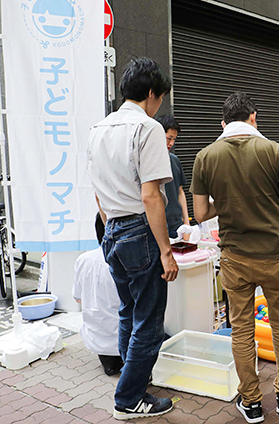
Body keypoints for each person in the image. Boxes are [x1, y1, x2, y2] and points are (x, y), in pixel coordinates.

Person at [190, 92, 279, 423]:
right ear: (254, 117)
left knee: (242, 329)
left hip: (235, 258)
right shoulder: (273, 150)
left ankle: (252, 402)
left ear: (223, 123)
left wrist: (225, 203)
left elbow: (200, 213)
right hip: (274, 254)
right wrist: (278, 193)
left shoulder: (205, 156)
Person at [87, 57, 178, 420]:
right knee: (149, 319)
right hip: (139, 230)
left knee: (128, 310)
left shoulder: (98, 128)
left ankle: (132, 378)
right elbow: (151, 196)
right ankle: (129, 398)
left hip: (111, 230)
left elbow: (96, 192)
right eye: (160, 98)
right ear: (152, 93)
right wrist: (166, 251)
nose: (160, 106)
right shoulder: (148, 127)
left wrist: (114, 228)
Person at [72, 214, 122, 376]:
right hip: (121, 339)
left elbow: (78, 298)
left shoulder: (83, 259)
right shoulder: (124, 261)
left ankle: (110, 363)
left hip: (94, 338)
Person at [156, 115, 190, 239]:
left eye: (174, 139)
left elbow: (180, 192)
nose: (171, 143)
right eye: (169, 138)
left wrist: (186, 223)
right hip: (158, 226)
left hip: (177, 225)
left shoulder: (174, 160)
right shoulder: (149, 162)